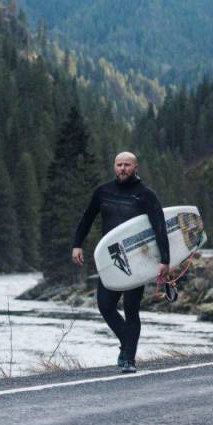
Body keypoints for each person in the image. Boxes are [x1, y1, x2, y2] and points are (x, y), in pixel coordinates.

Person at [72, 152, 171, 374]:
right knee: (105, 305)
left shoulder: (146, 195)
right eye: (119, 165)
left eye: (127, 165)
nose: (122, 169)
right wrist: (77, 244)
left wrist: (165, 260)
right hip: (112, 257)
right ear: (114, 167)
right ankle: (128, 345)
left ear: (136, 167)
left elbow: (159, 227)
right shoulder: (103, 191)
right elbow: (87, 218)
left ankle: (128, 358)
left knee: (131, 309)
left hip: (136, 259)